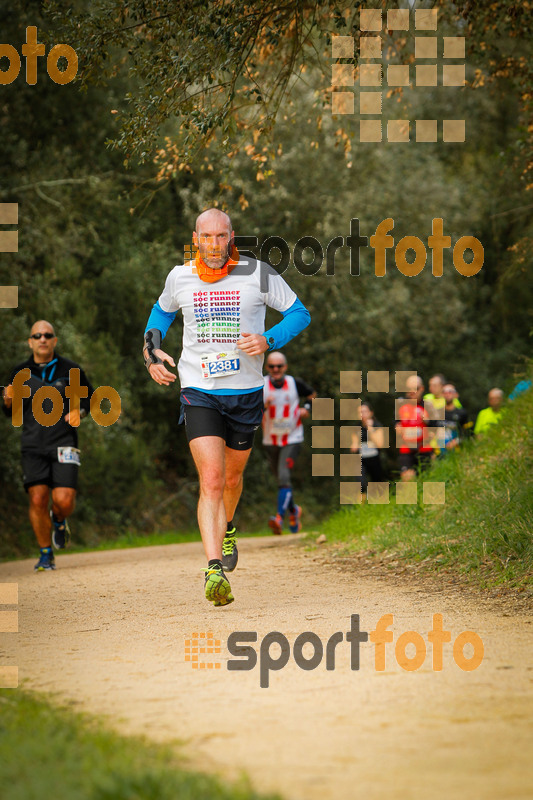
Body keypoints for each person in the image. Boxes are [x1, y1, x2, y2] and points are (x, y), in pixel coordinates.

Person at [143, 208, 310, 606]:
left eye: (221, 237)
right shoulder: (179, 276)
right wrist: (151, 354)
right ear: (195, 238)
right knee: (213, 480)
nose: (214, 245)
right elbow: (160, 314)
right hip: (198, 388)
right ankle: (213, 568)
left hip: (245, 391)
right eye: (207, 237)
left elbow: (299, 314)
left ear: (231, 236)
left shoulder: (258, 273)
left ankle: (229, 525)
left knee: (233, 481)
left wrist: (269, 339)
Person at [2, 321, 94, 571]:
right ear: (30, 341)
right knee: (38, 499)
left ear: (54, 340)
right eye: (37, 335)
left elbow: (90, 398)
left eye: (47, 335)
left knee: (63, 501)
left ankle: (60, 520)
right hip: (32, 444)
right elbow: (9, 411)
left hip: (64, 441)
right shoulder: (19, 372)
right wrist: (8, 400)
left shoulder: (71, 369)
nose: (42, 339)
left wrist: (81, 412)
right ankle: (45, 554)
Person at [262, 352, 315, 534]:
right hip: (270, 439)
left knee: (284, 477)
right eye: (272, 366)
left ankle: (279, 517)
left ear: (285, 367)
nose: (276, 370)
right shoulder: (260, 385)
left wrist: (306, 409)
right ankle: (294, 511)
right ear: (267, 368)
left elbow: (312, 395)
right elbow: (250, 410)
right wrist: (264, 406)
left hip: (292, 438)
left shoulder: (295, 383)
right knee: (281, 480)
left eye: (279, 366)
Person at [395, 375, 434, 481]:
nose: (411, 392)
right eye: (409, 389)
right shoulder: (400, 405)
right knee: (408, 478)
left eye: (415, 389)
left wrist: (428, 422)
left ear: (422, 388)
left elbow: (437, 427)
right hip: (406, 448)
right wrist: (397, 428)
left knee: (427, 479)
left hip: (424, 448)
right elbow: (396, 424)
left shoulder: (428, 406)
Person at [350, 401, 386, 496]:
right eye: (360, 412)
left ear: (371, 412)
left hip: (375, 459)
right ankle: (361, 507)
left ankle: (379, 504)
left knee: (377, 483)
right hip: (361, 460)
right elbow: (354, 442)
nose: (362, 414)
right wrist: (354, 445)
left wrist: (370, 428)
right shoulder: (356, 427)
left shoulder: (377, 426)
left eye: (364, 411)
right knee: (360, 483)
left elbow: (380, 444)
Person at [438, 383, 471, 454]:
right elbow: (431, 432)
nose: (447, 394)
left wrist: (457, 441)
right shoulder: (437, 413)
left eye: (450, 392)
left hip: (457, 452)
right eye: (444, 392)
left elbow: (468, 433)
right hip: (439, 451)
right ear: (442, 395)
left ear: (456, 394)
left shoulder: (462, 413)